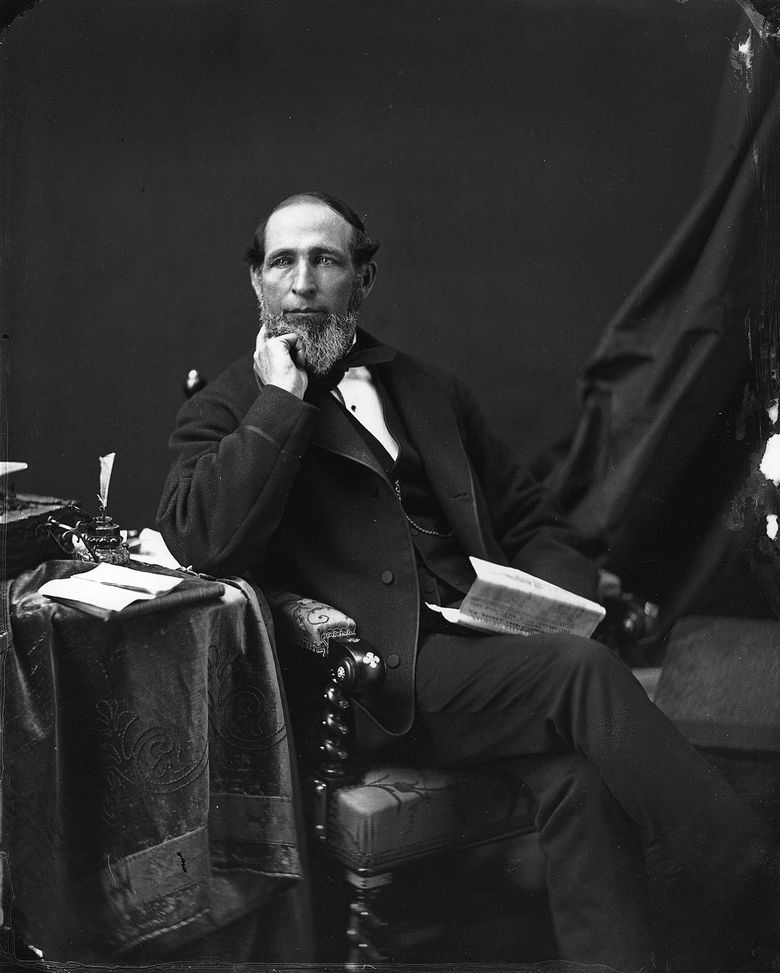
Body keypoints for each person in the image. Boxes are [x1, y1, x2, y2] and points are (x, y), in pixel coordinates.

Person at [157, 191, 776, 972]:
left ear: (365, 278)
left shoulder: (426, 388)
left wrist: (551, 606)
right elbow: (200, 541)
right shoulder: (229, 408)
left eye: (327, 259)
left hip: (483, 653)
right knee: (579, 674)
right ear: (257, 284)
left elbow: (532, 517)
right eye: (283, 261)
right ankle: (748, 875)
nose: (304, 282)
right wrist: (282, 399)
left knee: (578, 778)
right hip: (373, 682)